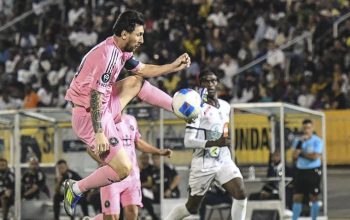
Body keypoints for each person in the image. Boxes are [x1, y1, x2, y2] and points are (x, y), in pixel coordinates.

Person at [62, 9, 191, 216]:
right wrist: (99, 132)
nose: (141, 39)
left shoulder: (119, 49)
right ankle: (76, 188)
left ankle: (175, 106)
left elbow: (142, 70)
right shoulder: (108, 56)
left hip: (103, 106)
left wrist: (172, 66)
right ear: (124, 34)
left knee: (135, 81)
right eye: (139, 34)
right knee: (123, 169)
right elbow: (95, 95)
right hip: (89, 115)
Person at [165, 68, 247, 220]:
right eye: (206, 81)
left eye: (213, 80)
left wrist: (225, 143)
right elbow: (188, 141)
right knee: (191, 208)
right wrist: (214, 142)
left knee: (240, 193)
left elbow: (224, 130)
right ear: (200, 85)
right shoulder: (196, 108)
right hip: (203, 163)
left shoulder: (225, 105)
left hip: (223, 160)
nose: (210, 84)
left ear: (218, 83)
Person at [88, 114, 172, 220]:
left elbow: (137, 142)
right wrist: (104, 161)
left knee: (132, 214)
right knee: (112, 217)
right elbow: (90, 148)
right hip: (111, 178)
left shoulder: (131, 119)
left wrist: (158, 151)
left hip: (132, 177)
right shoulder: (102, 121)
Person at [292, 119, 323, 220]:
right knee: (297, 197)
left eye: (308, 128)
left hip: (313, 170)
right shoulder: (298, 141)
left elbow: (315, 156)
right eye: (305, 128)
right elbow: (294, 157)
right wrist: (301, 144)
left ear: (312, 128)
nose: (306, 130)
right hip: (300, 171)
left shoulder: (317, 140)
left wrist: (301, 153)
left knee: (313, 196)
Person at [139, 153, 159, 220]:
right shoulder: (138, 169)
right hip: (139, 191)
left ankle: (153, 216)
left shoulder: (151, 168)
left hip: (150, 191)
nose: (144, 160)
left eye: (146, 158)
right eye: (143, 158)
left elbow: (149, 183)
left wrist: (140, 185)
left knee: (144, 196)